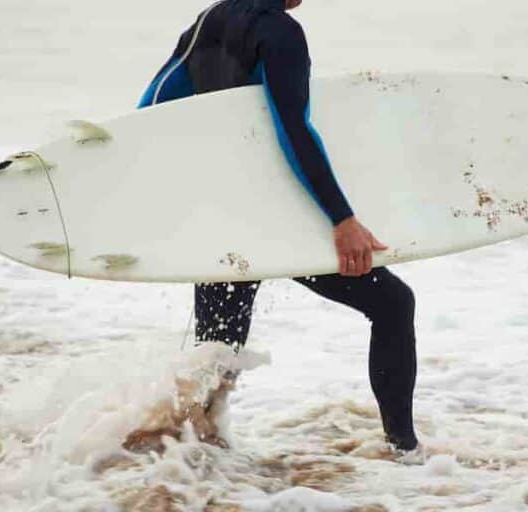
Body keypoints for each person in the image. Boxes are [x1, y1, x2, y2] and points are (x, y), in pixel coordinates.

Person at [139, 0, 419, 453]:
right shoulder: (280, 32)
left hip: (225, 217)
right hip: (279, 215)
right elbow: (293, 131)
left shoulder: (209, 21)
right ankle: (404, 451)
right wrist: (341, 217)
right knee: (392, 305)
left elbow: (152, 109)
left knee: (218, 354)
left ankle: (185, 472)